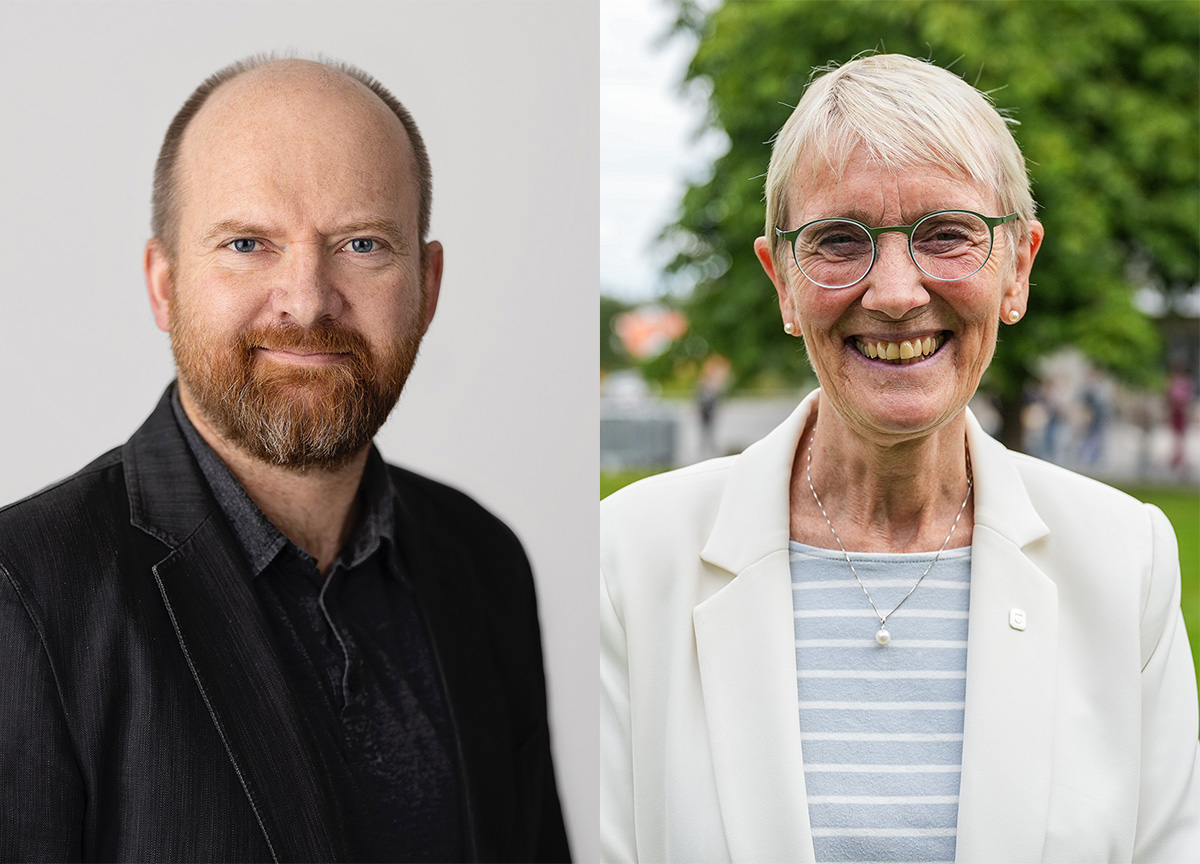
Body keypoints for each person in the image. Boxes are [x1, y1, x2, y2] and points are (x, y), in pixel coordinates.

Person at [600, 54, 1199, 863]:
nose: (893, 293)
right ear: (782, 283)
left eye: (947, 235)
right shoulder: (627, 557)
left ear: (1018, 269)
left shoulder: (1127, 561)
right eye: (838, 241)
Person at [0, 56, 569, 862]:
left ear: (428, 286)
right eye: (247, 243)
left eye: (362, 244)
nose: (306, 301)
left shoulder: (484, 560)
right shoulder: (23, 594)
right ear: (163, 285)